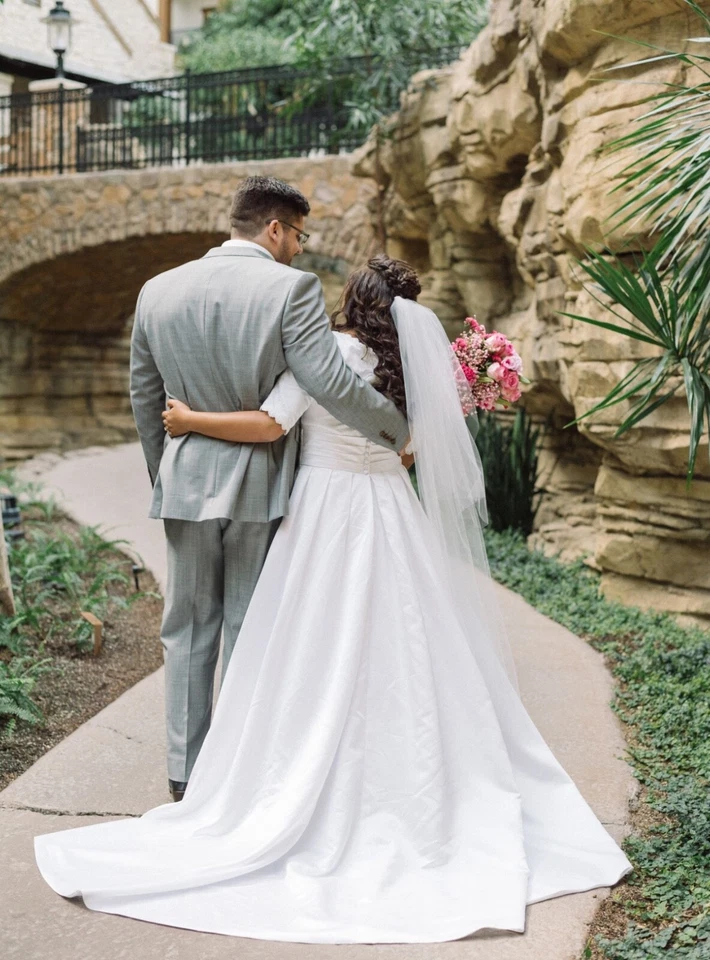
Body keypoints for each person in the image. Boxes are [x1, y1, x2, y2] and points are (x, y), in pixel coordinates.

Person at [34, 255, 632, 943]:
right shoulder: (408, 362)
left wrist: (191, 418)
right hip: (386, 510)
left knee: (308, 643)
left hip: (319, 510)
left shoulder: (327, 352)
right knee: (406, 641)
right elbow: (406, 451)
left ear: (355, 297)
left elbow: (269, 424)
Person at [129, 176, 408, 802]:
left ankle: (184, 775)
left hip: (185, 479)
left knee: (185, 627)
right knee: (248, 626)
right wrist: (398, 431)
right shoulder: (291, 289)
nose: (300, 250)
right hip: (259, 483)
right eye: (298, 236)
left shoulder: (156, 290)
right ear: (274, 228)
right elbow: (329, 382)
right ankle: (238, 770)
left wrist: (168, 474)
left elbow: (146, 399)